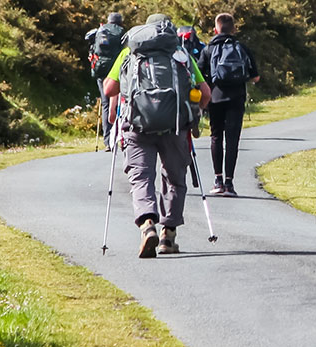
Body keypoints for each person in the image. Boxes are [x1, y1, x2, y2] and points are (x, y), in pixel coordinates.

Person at [103, 13, 213, 258]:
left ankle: (147, 224)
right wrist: (193, 116)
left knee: (141, 177)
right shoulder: (180, 54)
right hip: (175, 128)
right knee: (174, 180)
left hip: (137, 126)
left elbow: (109, 88)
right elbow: (205, 92)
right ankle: (168, 235)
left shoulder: (130, 53)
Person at [197, 13, 260, 196]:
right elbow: (255, 76)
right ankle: (230, 184)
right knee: (232, 140)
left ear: (216, 29)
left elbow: (199, 75)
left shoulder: (208, 49)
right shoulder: (242, 48)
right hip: (237, 97)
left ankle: (217, 181)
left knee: (216, 137)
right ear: (233, 29)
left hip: (215, 98)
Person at [85, 12, 125, 149]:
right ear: (120, 22)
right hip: (116, 71)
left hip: (101, 70)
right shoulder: (121, 32)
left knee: (106, 104)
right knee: (120, 103)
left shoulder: (100, 31)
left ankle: (108, 141)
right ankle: (120, 137)